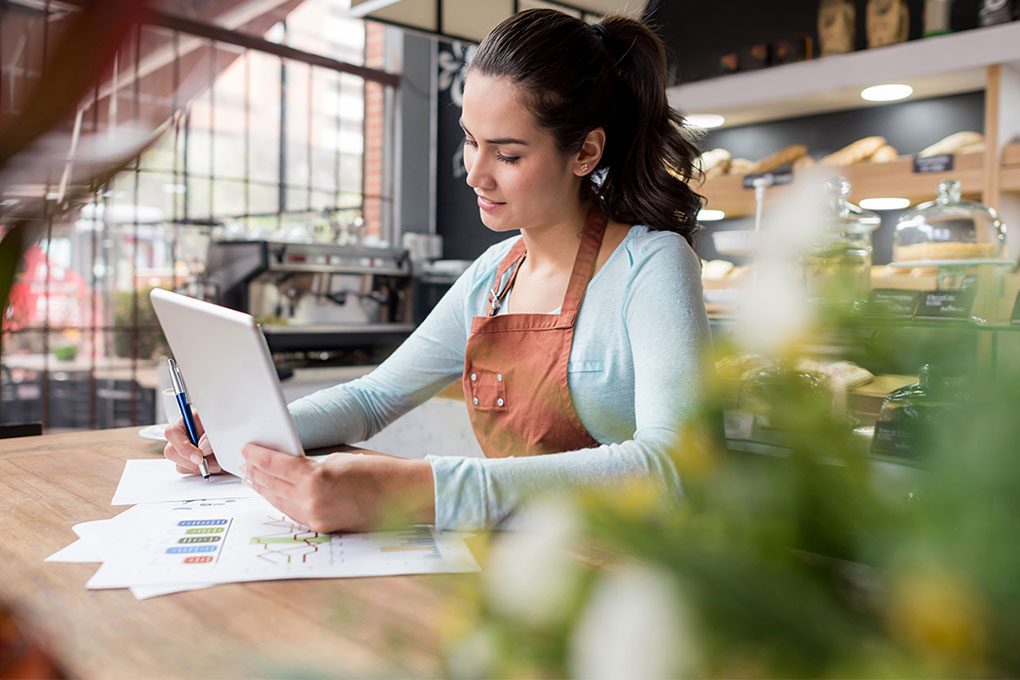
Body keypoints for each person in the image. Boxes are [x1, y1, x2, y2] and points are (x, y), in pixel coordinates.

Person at [163, 8, 710, 533]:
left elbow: (672, 468)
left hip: (628, 576)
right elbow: (372, 398)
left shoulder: (652, 266)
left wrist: (415, 488)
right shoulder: (492, 275)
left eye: (508, 155)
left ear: (585, 152)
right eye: (471, 140)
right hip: (525, 573)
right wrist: (241, 434)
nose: (474, 174)